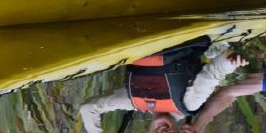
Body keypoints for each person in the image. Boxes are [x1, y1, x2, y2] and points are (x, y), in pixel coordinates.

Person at [79, 36, 249, 133]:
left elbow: (89, 108)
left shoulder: (134, 103)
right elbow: (212, 74)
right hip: (177, 41)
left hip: (140, 40)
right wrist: (230, 62)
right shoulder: (188, 104)